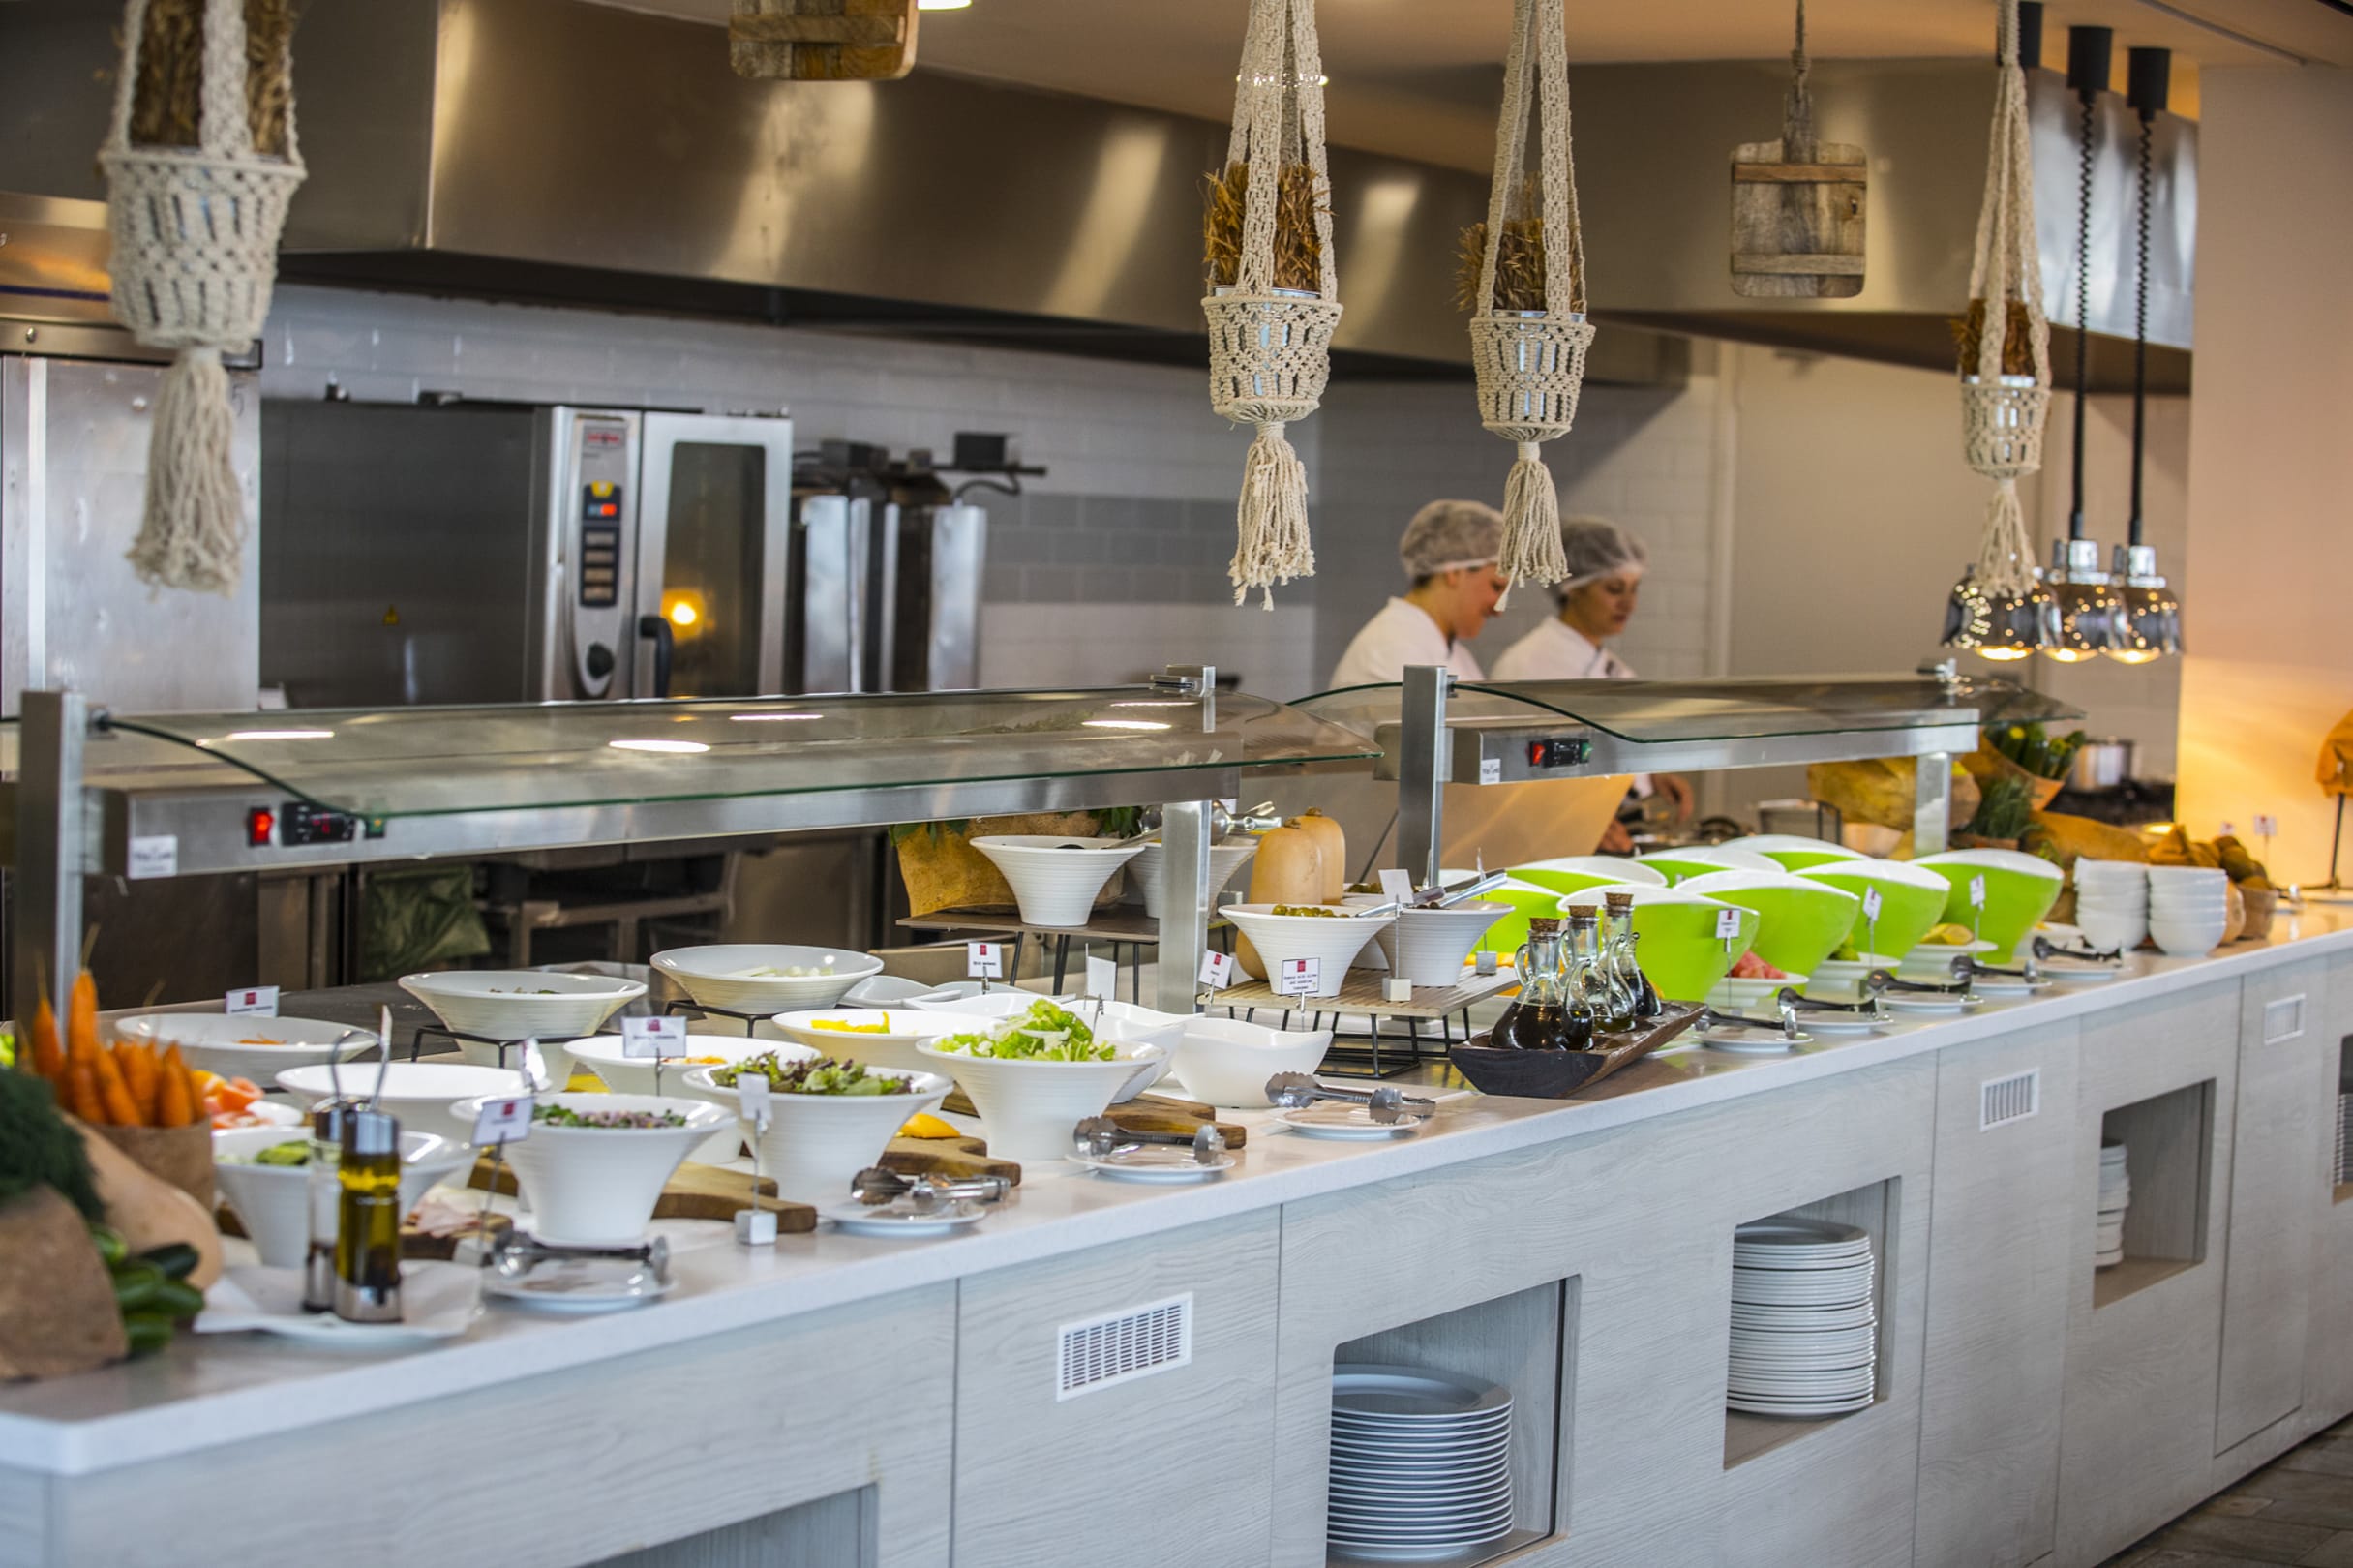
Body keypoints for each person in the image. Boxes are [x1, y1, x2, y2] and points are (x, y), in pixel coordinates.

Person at [1492, 516, 1693, 850]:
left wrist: (1651, 776)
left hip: (1617, 833)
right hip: (1555, 840)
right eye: (1614, 589)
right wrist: (1577, 820)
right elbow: (1513, 774)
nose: (1628, 603)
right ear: (1573, 588)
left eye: (1634, 589)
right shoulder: (1527, 665)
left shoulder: (1614, 669)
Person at [1328, 499, 1509, 687]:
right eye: (1496, 587)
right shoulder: (1393, 647)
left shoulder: (1455, 653)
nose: (1499, 610)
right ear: (1455, 572)